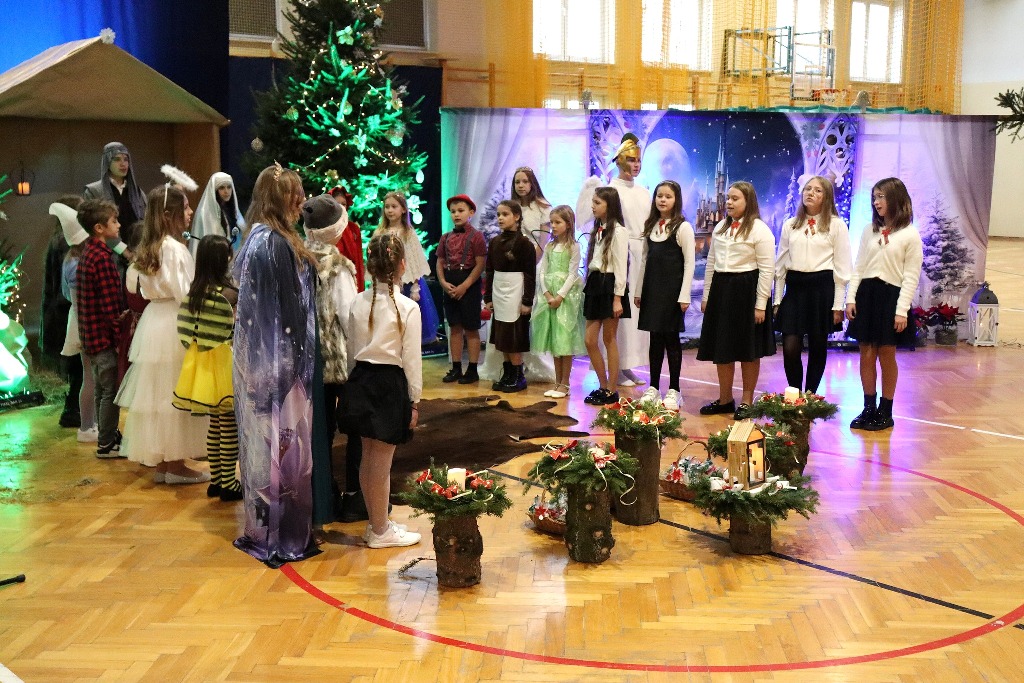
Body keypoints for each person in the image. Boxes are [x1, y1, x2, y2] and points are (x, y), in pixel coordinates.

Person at [232, 163, 320, 567]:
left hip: (260, 362)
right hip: (281, 365)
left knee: (265, 444)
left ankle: (264, 528)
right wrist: (301, 360)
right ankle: (285, 536)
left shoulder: (255, 237)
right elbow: (291, 310)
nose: (300, 203)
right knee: (285, 447)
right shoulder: (278, 244)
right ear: (281, 200)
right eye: (294, 197)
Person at [115, 184, 209, 482]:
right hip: (173, 321)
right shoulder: (174, 249)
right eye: (185, 207)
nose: (190, 212)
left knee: (158, 393)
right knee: (174, 392)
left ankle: (164, 464)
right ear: (169, 215)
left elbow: (141, 287)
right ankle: (175, 465)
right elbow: (184, 292)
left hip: (154, 319)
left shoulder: (149, 247)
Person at [338, 232, 423, 548]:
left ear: (370, 265)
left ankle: (377, 524)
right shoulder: (407, 307)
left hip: (361, 380)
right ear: (402, 265)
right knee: (382, 465)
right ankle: (380, 529)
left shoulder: (357, 302)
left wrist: (352, 385)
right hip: (389, 386)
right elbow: (411, 360)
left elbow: (352, 350)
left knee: (368, 458)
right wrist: (415, 400)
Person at [300, 194, 360, 526]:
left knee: (316, 431)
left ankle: (318, 494)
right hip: (337, 360)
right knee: (351, 427)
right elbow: (349, 316)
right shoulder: (338, 267)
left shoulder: (296, 259)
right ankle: (352, 496)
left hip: (305, 358)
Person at [846, 177, 923, 431]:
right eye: (874, 197)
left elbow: (910, 276)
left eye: (881, 196)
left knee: (886, 354)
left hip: (891, 298)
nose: (876, 202)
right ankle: (868, 408)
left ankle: (886, 411)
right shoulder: (870, 230)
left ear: (895, 198)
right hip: (867, 296)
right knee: (866, 353)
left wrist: (902, 310)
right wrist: (850, 298)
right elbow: (859, 266)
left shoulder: (910, 234)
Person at [697, 181, 776, 420]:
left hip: (746, 290)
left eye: (735, 198)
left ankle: (747, 401)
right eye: (728, 198)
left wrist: (760, 304)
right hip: (722, 290)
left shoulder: (760, 230)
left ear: (748, 201)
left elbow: (767, 269)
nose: (729, 202)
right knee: (723, 347)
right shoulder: (721, 227)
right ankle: (725, 400)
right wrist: (707, 295)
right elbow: (711, 263)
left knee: (748, 349)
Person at [172, 235, 241, 500]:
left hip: (201, 363)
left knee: (215, 424)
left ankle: (217, 479)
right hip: (224, 361)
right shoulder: (229, 293)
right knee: (229, 425)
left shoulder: (195, 292)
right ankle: (229, 484)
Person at [773, 175, 852, 394]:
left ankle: (810, 396)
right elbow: (781, 266)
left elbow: (842, 268)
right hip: (795, 290)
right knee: (790, 347)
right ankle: (794, 394)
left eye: (817, 190)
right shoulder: (791, 225)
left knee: (818, 346)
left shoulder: (836, 225)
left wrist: (838, 305)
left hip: (821, 291)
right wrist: (777, 300)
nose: (811, 193)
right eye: (808, 189)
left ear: (826, 197)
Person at [634, 181, 695, 412]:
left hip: (672, 293)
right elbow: (644, 261)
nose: (662, 200)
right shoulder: (650, 226)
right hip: (652, 291)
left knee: (671, 340)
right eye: (659, 195)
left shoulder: (683, 228)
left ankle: (674, 390)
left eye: (668, 196)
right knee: (655, 340)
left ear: (676, 199)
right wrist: (639, 291)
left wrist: (684, 295)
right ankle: (653, 387)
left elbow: (689, 264)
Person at [74, 199, 127, 457]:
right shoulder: (103, 259)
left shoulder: (88, 254)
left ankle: (107, 435)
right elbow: (110, 307)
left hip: (91, 337)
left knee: (101, 389)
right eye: (113, 221)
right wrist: (119, 336)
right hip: (103, 338)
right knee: (110, 391)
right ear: (99, 228)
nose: (118, 225)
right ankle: (106, 443)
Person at [49, 200, 97, 441]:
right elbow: (80, 297)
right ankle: (87, 426)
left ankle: (90, 424)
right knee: (90, 376)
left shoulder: (69, 260)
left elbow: (67, 295)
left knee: (89, 375)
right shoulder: (79, 264)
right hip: (85, 320)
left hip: (77, 318)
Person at [531, 205, 585, 399]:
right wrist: (546, 294)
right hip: (549, 296)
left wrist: (560, 296)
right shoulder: (549, 246)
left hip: (565, 298)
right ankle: (557, 382)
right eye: (551, 222)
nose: (553, 226)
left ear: (568, 224)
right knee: (554, 340)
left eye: (557, 222)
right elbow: (542, 271)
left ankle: (565, 383)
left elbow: (572, 274)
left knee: (564, 340)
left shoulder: (573, 246)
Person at [582, 187, 630, 406]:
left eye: (597, 202)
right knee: (589, 340)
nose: (593, 206)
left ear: (609, 205)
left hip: (610, 285)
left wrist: (617, 297)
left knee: (609, 338)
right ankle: (602, 385)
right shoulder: (597, 229)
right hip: (595, 283)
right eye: (593, 202)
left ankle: (611, 389)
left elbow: (621, 267)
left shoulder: (619, 231)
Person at [484, 200, 536, 392]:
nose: (500, 218)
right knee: (502, 336)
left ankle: (518, 376)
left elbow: (530, 274)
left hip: (516, 292)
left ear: (516, 216)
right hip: (499, 292)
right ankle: (507, 374)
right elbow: (489, 271)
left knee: (514, 336)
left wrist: (527, 301)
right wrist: (488, 297)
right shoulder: (495, 242)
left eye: (505, 214)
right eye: (498, 214)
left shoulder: (525, 244)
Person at [374, 191, 440, 345]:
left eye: (394, 206)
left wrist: (415, 286)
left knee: (408, 321)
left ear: (403, 209)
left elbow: (415, 260)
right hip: (387, 283)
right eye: (387, 207)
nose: (390, 210)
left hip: (407, 283)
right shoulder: (379, 232)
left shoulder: (408, 233)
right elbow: (375, 258)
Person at [437, 194, 487, 384]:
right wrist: (443, 282)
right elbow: (440, 262)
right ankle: (456, 367)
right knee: (454, 327)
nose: (456, 214)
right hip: (450, 284)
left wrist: (465, 286)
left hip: (469, 286)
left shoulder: (476, 236)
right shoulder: (445, 238)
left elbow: (480, 264)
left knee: (471, 328)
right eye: (453, 211)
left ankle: (472, 369)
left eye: (461, 211)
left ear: (471, 212)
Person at [83, 142, 146, 256]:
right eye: (117, 159)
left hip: (139, 254)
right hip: (107, 256)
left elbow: (146, 222)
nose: (123, 164)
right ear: (107, 162)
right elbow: (95, 228)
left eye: (126, 159)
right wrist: (125, 252)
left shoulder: (137, 192)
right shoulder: (94, 192)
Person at [191, 172, 245, 253]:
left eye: (229, 187)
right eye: (222, 188)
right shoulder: (205, 214)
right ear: (214, 190)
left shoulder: (234, 212)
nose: (226, 191)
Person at [329, 186, 366, 292]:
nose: (341, 207)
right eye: (337, 204)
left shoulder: (353, 229)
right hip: (334, 278)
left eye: (343, 204)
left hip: (351, 277)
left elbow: (358, 259)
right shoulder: (327, 229)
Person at [510, 166, 551, 257]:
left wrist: (534, 260)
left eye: (525, 181)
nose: (520, 185)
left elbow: (543, 243)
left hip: (537, 255)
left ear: (532, 183)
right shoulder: (511, 207)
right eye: (517, 182)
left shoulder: (543, 207)